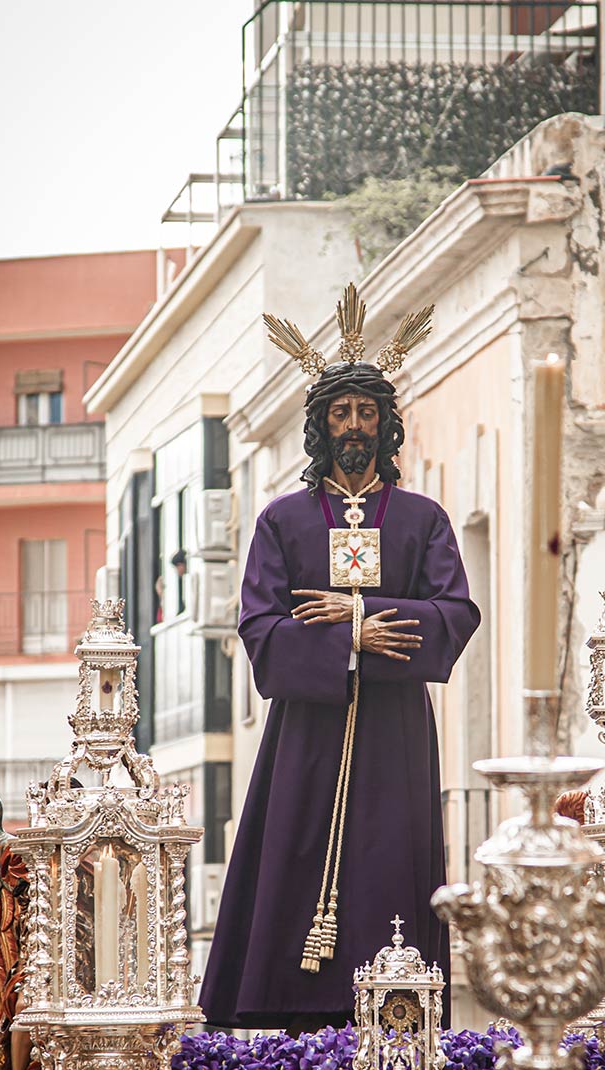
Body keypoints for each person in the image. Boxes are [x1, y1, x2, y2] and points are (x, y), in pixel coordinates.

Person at [199, 286, 479, 1030]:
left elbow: (456, 615)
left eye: (367, 412)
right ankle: (285, 1028)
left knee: (390, 867)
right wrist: (344, 642)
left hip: (393, 734)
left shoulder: (423, 520)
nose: (355, 425)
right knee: (292, 861)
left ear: (388, 424)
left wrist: (357, 617)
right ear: (321, 425)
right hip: (305, 737)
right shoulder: (282, 522)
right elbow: (258, 628)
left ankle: (397, 1031)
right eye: (341, 412)